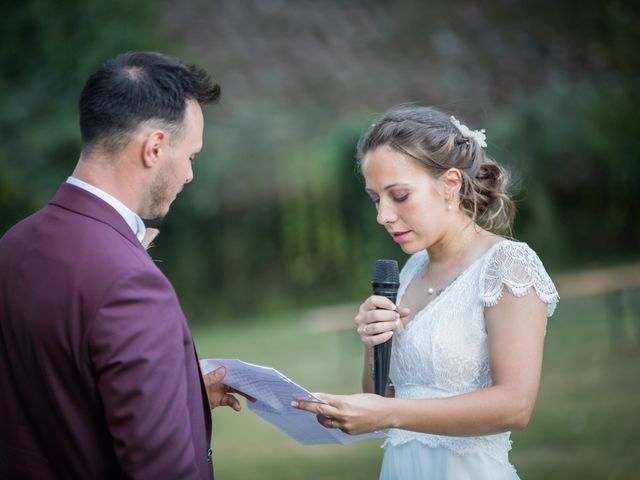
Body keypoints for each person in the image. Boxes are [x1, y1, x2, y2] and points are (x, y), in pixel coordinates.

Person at [0, 52, 242, 480]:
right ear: (154, 148)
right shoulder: (131, 284)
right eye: (191, 156)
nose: (189, 175)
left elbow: (50, 397)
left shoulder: (13, 245)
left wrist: (180, 397)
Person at [293, 106, 559, 479]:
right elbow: (381, 395)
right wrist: (373, 343)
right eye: (375, 199)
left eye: (399, 195)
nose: (383, 215)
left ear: (450, 184)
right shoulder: (412, 268)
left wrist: (390, 414)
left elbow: (515, 406)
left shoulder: (508, 266)